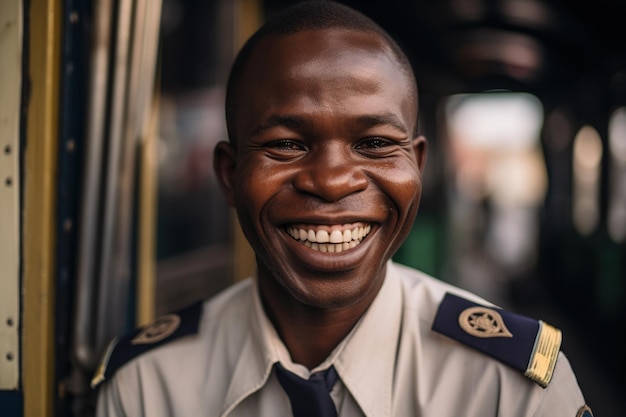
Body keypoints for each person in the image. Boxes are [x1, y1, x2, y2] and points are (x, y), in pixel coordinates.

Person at [92, 1, 592, 416]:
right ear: (229, 174)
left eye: (374, 144)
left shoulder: (511, 391)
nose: (332, 183)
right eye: (286, 145)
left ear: (416, 167)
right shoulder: (146, 386)